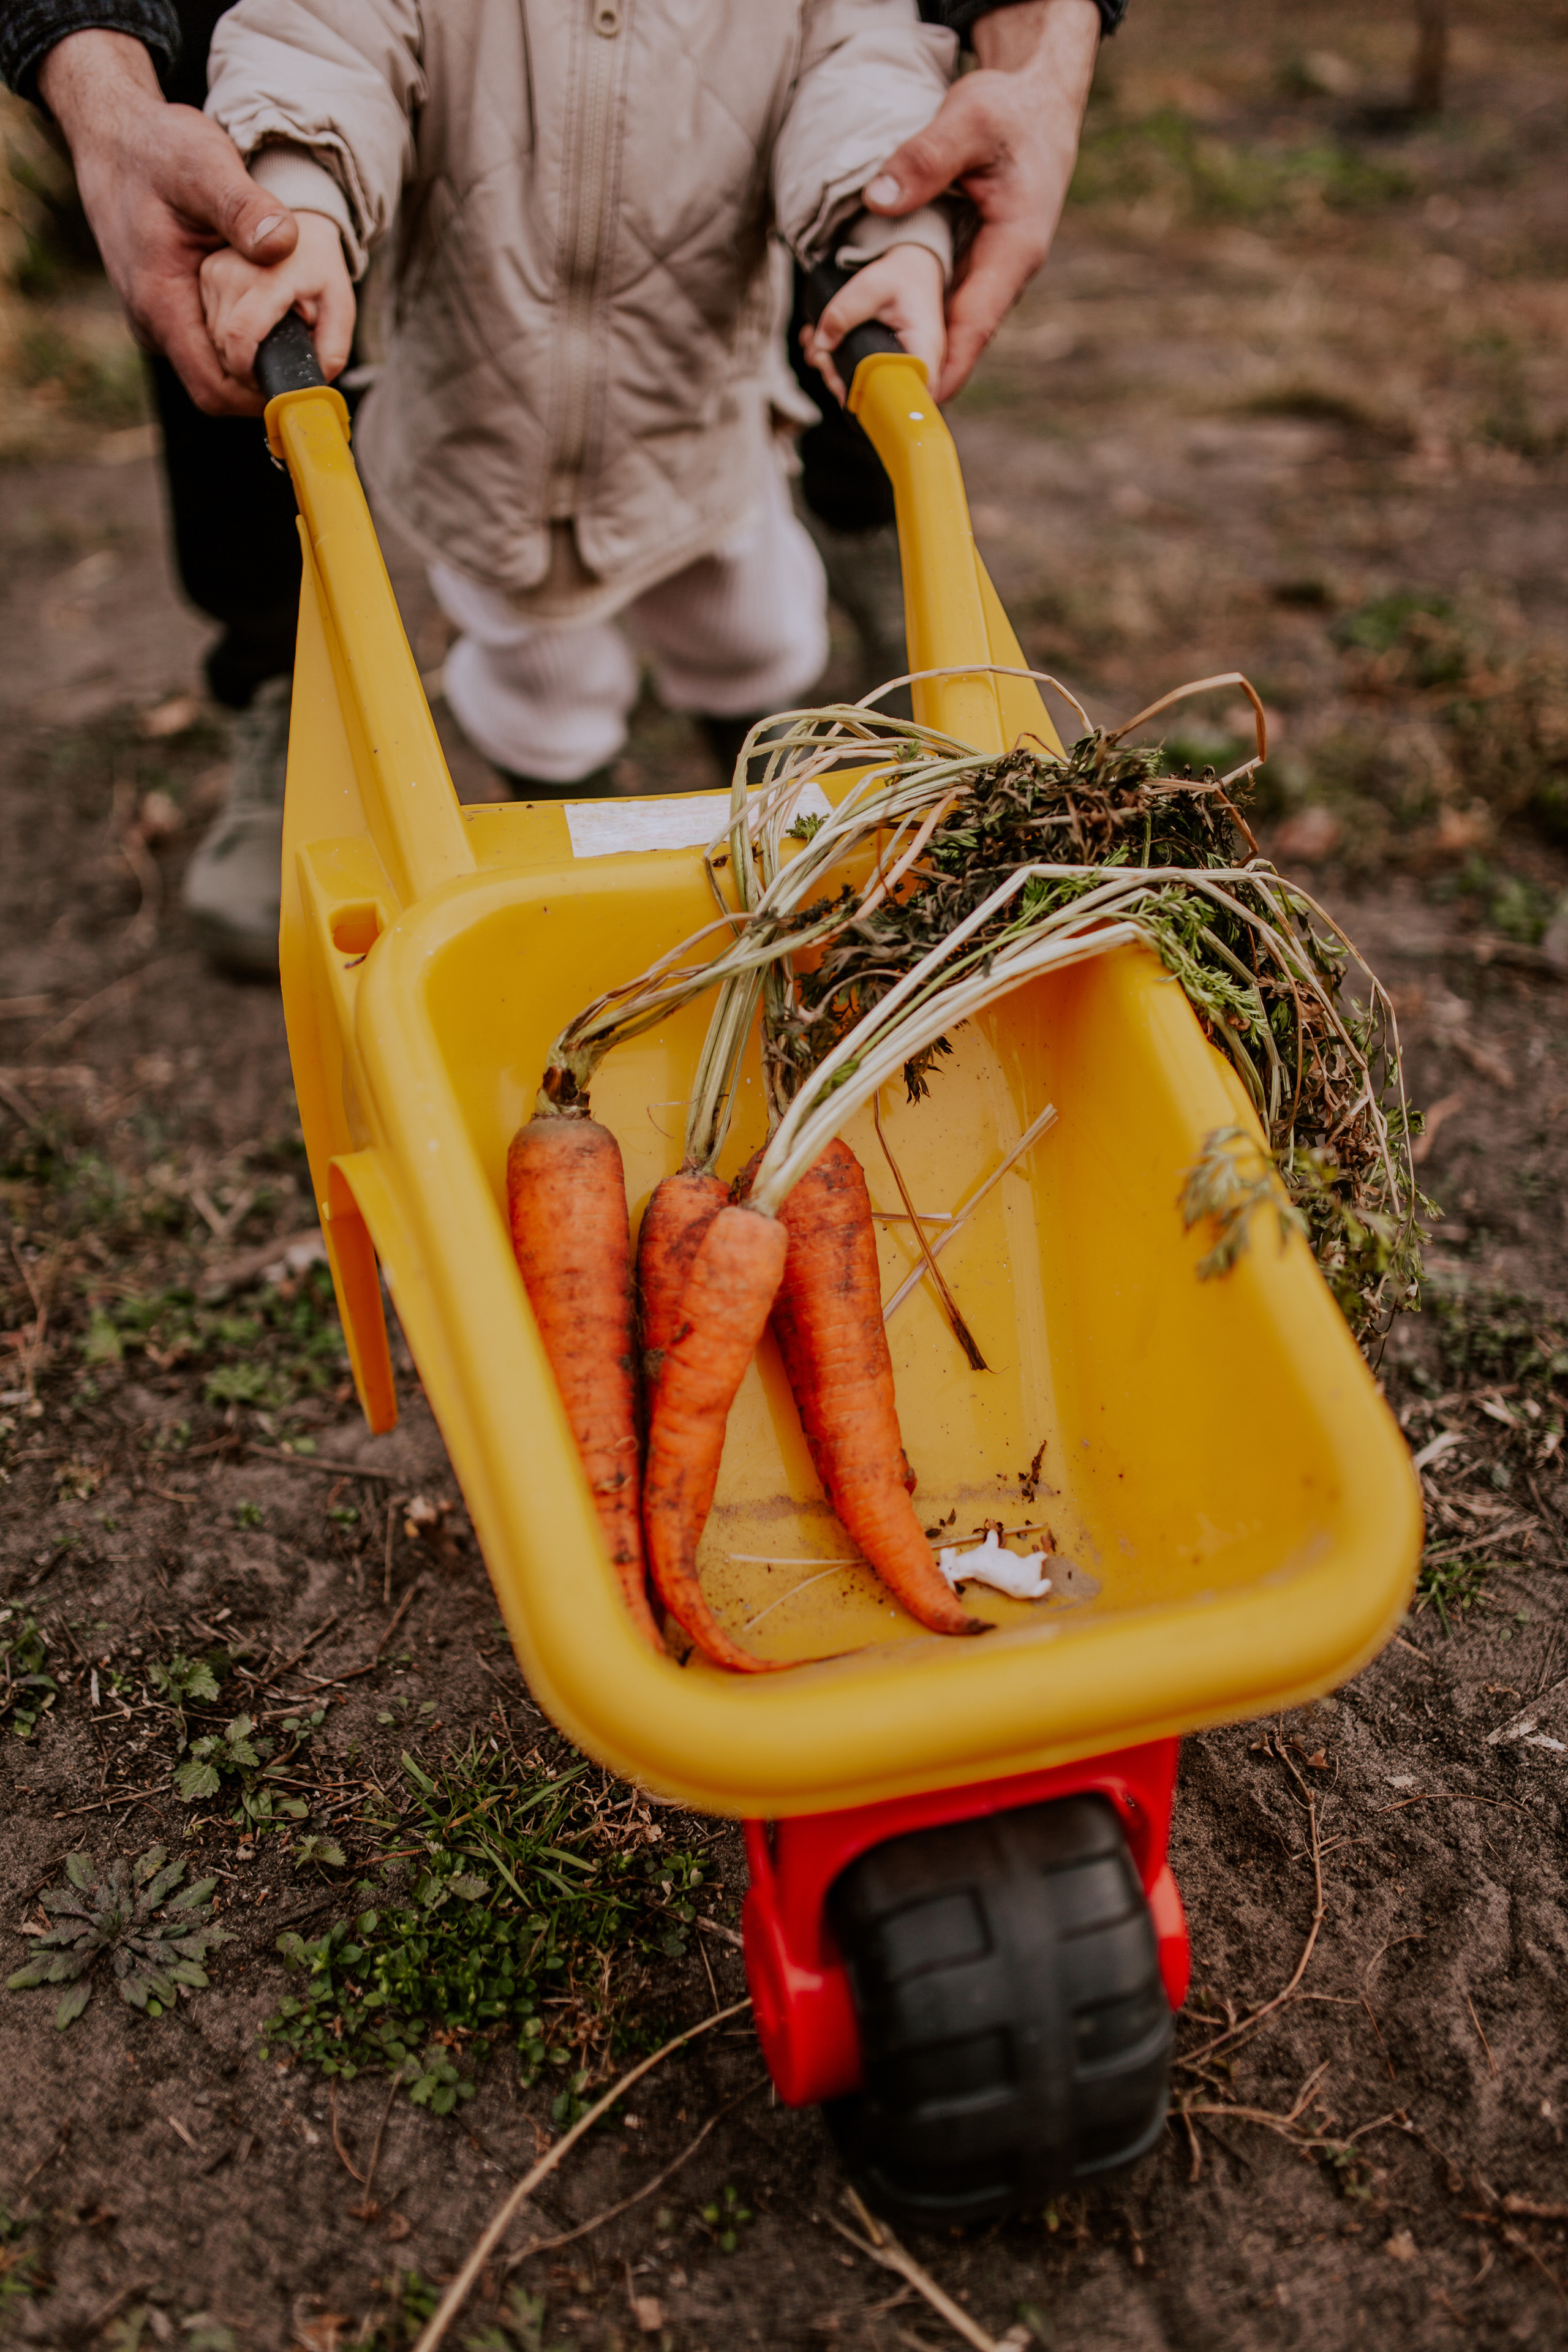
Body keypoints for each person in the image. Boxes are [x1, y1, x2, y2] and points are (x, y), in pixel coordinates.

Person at [3, 0, 1119, 970]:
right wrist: (298, 213)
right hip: (487, 445)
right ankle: (585, 849)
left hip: (697, 428)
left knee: (757, 633)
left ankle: (771, 771)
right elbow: (321, 48)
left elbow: (859, 72)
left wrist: (892, 235)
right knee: (544, 686)